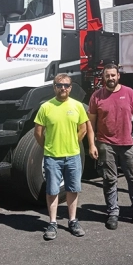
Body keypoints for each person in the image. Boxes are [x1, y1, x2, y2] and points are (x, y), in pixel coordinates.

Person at [88, 63, 133, 230]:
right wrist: (92, 144)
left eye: (113, 75)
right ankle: (112, 213)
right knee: (109, 181)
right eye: (107, 76)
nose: (110, 78)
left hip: (128, 144)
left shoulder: (128, 93)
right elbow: (91, 123)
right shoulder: (97, 96)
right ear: (103, 77)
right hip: (105, 144)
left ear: (118, 76)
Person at [34, 73, 89, 240]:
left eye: (66, 85)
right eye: (59, 85)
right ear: (54, 87)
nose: (63, 88)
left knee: (73, 189)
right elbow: (38, 133)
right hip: (52, 157)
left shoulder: (78, 106)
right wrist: (49, 147)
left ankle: (72, 221)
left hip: (73, 155)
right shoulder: (46, 107)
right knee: (52, 190)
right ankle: (52, 223)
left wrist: (73, 143)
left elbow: (83, 129)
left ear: (70, 88)